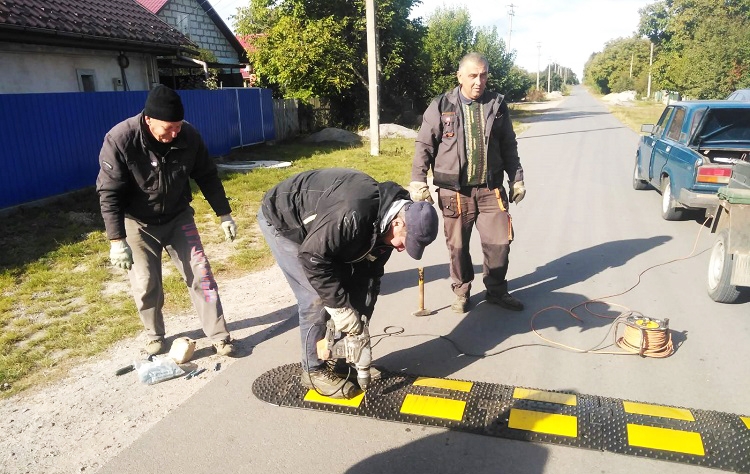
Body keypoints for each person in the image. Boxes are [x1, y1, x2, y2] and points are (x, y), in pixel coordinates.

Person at [258, 168, 439, 398]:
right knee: (316, 296)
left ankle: (342, 362)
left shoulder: (387, 226)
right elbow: (313, 257)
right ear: (397, 224)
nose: (402, 248)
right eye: (405, 242)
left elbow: (369, 279)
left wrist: (358, 330)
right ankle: (313, 371)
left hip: (326, 231)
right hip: (284, 218)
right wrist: (340, 310)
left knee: (350, 293)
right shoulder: (353, 213)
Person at [97, 85, 237, 357]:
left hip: (177, 217)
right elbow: (109, 192)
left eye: (178, 126)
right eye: (168, 128)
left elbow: (207, 175)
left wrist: (224, 214)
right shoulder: (120, 139)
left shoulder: (189, 136)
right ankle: (154, 335)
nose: (174, 134)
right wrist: (116, 240)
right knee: (146, 282)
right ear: (148, 119)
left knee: (201, 274)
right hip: (137, 222)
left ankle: (220, 336)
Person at [410, 52, 526, 314]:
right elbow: (424, 145)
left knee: (500, 244)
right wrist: (418, 181)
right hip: (454, 193)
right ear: (459, 76)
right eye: (473, 76)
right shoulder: (441, 106)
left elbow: (509, 144)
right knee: (458, 247)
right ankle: (461, 291)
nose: (478, 81)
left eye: (483, 75)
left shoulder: (497, 105)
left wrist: (516, 179)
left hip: (491, 189)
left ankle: (496, 290)